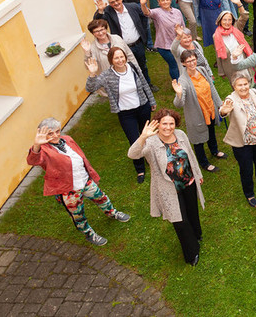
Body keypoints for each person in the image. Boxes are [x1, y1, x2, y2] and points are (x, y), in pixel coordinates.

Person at [28, 118, 130, 246]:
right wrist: (37, 145)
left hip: (85, 180)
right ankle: (89, 233)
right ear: (43, 135)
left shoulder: (68, 139)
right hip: (68, 190)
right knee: (78, 214)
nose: (55, 135)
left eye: (57, 131)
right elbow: (33, 161)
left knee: (102, 198)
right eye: (50, 133)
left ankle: (112, 213)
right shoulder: (44, 150)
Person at [129, 110, 204, 266]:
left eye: (171, 123)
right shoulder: (151, 142)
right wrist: (143, 137)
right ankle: (192, 252)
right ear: (158, 124)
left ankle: (197, 234)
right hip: (169, 189)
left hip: (188, 182)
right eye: (164, 123)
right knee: (180, 221)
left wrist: (197, 173)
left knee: (192, 211)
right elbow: (133, 154)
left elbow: (190, 154)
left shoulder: (181, 134)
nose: (168, 127)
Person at [85, 49, 156, 183]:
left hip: (143, 107)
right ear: (111, 60)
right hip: (126, 113)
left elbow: (144, 84)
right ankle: (140, 168)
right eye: (116, 58)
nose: (120, 60)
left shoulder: (133, 67)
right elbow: (90, 88)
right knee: (135, 140)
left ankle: (151, 159)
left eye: (121, 57)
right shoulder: (107, 75)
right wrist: (92, 73)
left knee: (147, 135)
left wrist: (151, 101)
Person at [219, 74, 256, 207]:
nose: (243, 87)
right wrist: (223, 112)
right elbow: (224, 110)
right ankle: (249, 193)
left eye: (245, 84)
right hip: (243, 143)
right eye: (239, 85)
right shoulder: (231, 99)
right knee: (246, 169)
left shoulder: (254, 92)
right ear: (234, 87)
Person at [173, 50, 224, 174]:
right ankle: (204, 162)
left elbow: (211, 87)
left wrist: (219, 104)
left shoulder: (202, 70)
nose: (192, 63)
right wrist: (179, 94)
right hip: (197, 115)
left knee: (211, 131)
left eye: (193, 59)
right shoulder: (183, 80)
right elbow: (179, 104)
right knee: (198, 140)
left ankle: (214, 150)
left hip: (209, 109)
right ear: (183, 63)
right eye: (188, 61)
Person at [94, 0, 153, 88]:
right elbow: (97, 23)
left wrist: (143, 33)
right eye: (112, 2)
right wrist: (100, 11)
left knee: (142, 65)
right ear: (109, 3)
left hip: (138, 44)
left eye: (117, 0)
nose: (116, 3)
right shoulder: (108, 11)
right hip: (122, 48)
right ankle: (132, 86)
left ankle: (147, 84)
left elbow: (144, 16)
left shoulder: (133, 7)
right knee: (125, 68)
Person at [80, 19, 139, 91]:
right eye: (96, 31)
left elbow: (129, 54)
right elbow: (89, 66)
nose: (101, 33)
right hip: (112, 81)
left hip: (128, 74)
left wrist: (137, 69)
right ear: (93, 33)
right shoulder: (92, 48)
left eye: (102, 29)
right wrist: (87, 53)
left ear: (106, 29)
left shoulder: (117, 38)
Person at [140, 0, 185, 81]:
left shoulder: (177, 12)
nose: (165, 2)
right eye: (162, 0)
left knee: (182, 63)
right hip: (164, 46)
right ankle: (177, 83)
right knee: (174, 64)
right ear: (159, 2)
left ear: (170, 0)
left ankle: (185, 80)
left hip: (178, 43)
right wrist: (143, 4)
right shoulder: (157, 13)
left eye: (167, 0)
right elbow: (147, 13)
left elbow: (183, 27)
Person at [213, 4, 252, 79]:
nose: (227, 22)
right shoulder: (216, 36)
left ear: (232, 21)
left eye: (229, 20)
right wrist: (221, 71)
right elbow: (218, 53)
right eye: (224, 20)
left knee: (249, 81)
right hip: (229, 66)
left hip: (242, 61)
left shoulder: (236, 28)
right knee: (237, 85)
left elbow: (244, 17)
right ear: (220, 21)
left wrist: (239, 5)